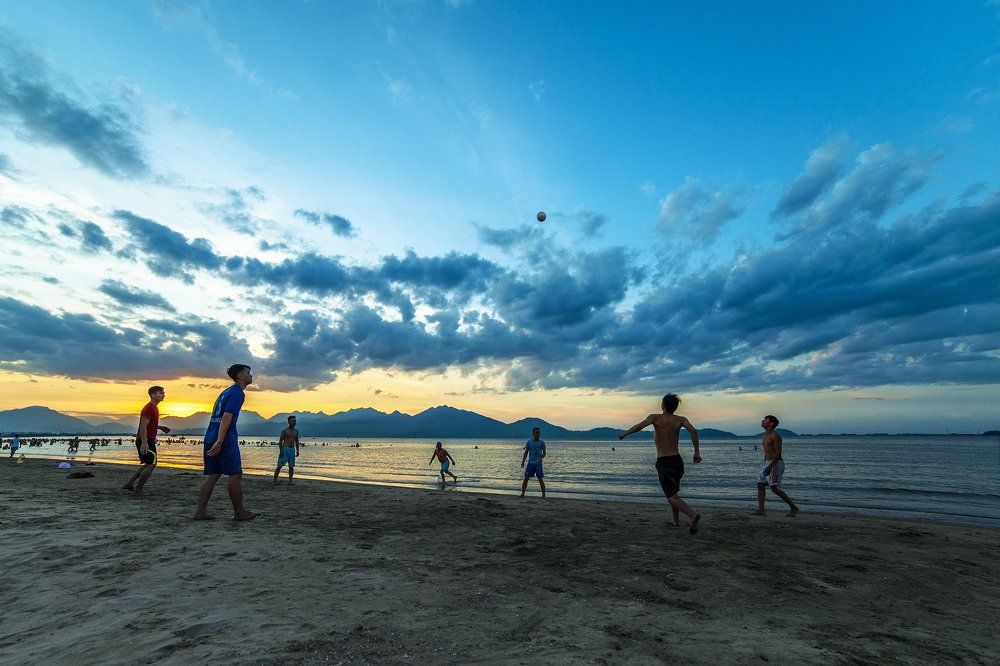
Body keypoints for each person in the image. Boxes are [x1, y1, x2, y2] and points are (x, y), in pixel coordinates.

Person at [619, 393, 703, 534]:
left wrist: (624, 434)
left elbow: (639, 426)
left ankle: (692, 515)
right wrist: (697, 453)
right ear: (675, 408)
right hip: (677, 461)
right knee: (674, 492)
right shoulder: (681, 419)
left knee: (671, 496)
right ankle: (675, 520)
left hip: (664, 461)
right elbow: (693, 431)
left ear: (662, 406)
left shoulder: (655, 417)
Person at [194, 364, 257, 521]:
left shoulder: (226, 392)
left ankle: (200, 512)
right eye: (248, 373)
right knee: (235, 474)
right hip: (224, 439)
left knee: (213, 475)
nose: (251, 376)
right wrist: (220, 441)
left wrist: (216, 440)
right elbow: (227, 417)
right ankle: (239, 512)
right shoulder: (237, 393)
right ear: (240, 376)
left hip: (210, 436)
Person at [123, 386, 171, 494]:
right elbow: (143, 426)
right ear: (153, 395)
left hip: (147, 440)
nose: (163, 394)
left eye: (163, 392)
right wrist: (144, 443)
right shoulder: (148, 408)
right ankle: (138, 489)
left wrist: (160, 427)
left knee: (147, 464)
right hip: (145, 440)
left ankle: (130, 483)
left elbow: (148, 424)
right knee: (152, 464)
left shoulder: (155, 408)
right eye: (160, 393)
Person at [752, 415, 800, 517]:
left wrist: (770, 467)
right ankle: (761, 510)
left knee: (774, 487)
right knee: (760, 485)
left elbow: (778, 453)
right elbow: (767, 451)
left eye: (765, 420)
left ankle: (794, 508)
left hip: (776, 463)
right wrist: (765, 464)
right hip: (766, 463)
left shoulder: (775, 435)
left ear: (771, 423)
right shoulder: (765, 435)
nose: (762, 421)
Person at [273, 415, 300, 485]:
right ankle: (274, 481)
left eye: (295, 421)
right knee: (279, 466)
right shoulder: (285, 431)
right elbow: (280, 442)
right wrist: (281, 451)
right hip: (285, 449)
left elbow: (296, 441)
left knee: (291, 466)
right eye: (293, 421)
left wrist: (297, 451)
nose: (294, 422)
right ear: (288, 422)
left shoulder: (296, 431)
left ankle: (290, 481)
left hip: (292, 449)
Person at [520, 427, 547, 498]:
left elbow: (544, 453)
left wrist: (541, 458)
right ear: (533, 433)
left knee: (540, 479)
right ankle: (522, 494)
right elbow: (526, 453)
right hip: (530, 463)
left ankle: (543, 495)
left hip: (538, 463)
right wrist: (523, 462)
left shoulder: (542, 442)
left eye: (539, 433)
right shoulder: (529, 442)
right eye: (536, 432)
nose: (538, 434)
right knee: (526, 478)